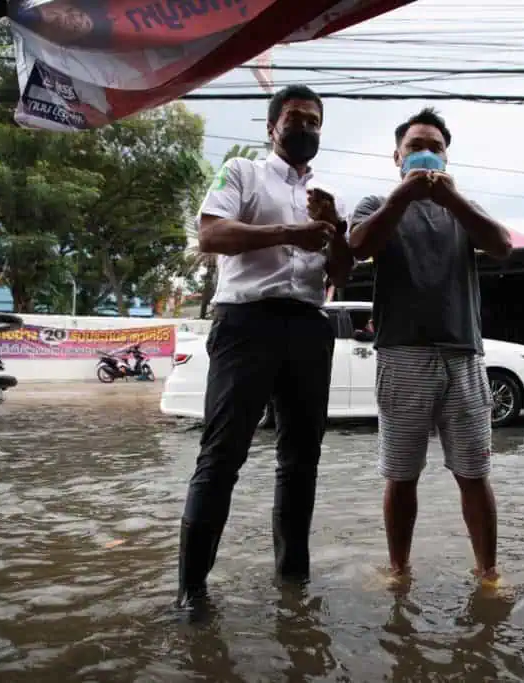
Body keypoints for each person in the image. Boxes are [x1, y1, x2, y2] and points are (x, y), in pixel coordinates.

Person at [176, 85, 354, 606]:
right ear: (272, 127)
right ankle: (191, 590)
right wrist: (289, 232)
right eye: (296, 119)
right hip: (245, 323)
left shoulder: (331, 197)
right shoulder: (241, 172)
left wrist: (335, 230)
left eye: (315, 122)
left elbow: (339, 272)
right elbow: (210, 235)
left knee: (302, 459)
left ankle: (293, 580)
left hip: (307, 326)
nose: (306, 129)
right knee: (222, 454)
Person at [348, 107, 513, 583]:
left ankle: (489, 574)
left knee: (474, 474)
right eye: (415, 148)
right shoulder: (376, 203)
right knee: (400, 475)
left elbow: (500, 244)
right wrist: (402, 196)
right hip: (402, 354)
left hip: (463, 355)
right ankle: (398, 571)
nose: (425, 156)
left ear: (448, 157)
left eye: (435, 149)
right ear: (396, 157)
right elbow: (359, 245)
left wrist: (454, 198)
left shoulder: (463, 210)